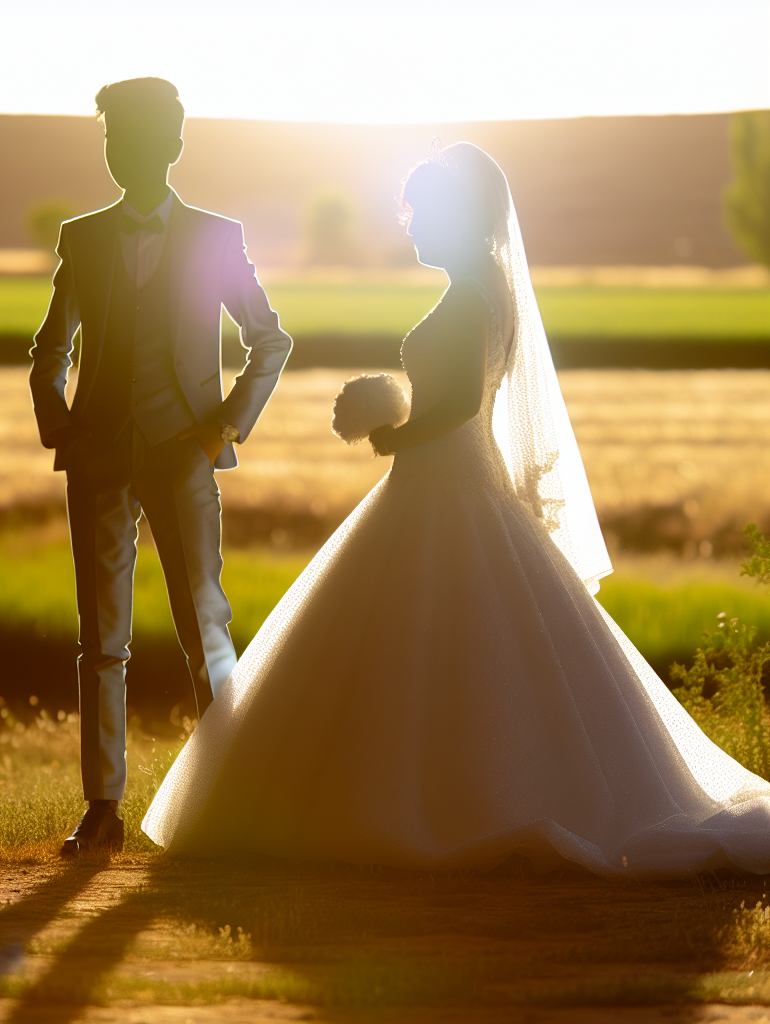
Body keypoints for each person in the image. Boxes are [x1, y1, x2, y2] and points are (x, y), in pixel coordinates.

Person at [142, 142, 770, 876]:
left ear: (458, 217)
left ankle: (435, 807)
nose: (410, 225)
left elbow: (467, 401)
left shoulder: (473, 295)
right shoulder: (478, 288)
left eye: (422, 212)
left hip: (451, 484)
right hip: (439, 483)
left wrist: (396, 430)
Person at [29, 78, 292, 856]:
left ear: (173, 145)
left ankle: (232, 803)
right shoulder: (81, 238)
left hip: (186, 456)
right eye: (113, 141)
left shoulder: (217, 238)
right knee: (100, 640)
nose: (123, 155)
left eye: (138, 141)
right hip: (98, 456)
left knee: (204, 628)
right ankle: (102, 809)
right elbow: (51, 349)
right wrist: (63, 430)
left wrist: (221, 432)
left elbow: (269, 340)